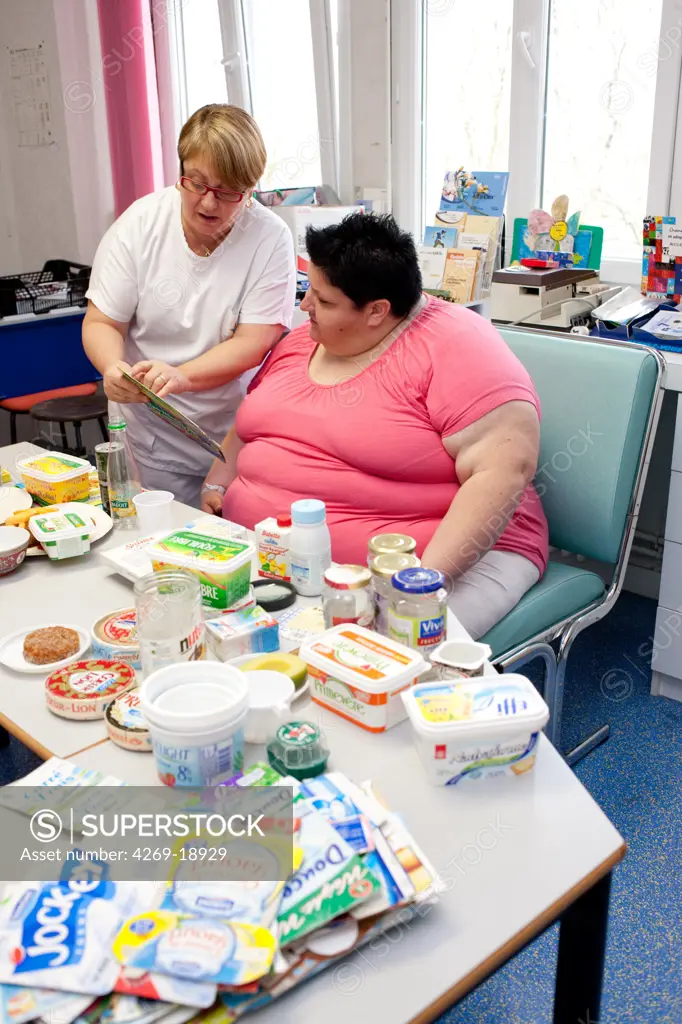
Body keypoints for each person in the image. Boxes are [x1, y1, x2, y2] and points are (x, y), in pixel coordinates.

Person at [201, 213, 548, 639]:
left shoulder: (459, 347)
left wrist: (417, 589)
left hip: (450, 562)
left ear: (377, 311)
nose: (305, 306)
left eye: (324, 301)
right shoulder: (304, 340)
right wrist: (218, 485)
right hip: (281, 559)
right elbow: (254, 420)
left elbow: (504, 472)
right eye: (309, 290)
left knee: (371, 665)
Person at [83, 104, 295, 507]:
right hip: (149, 436)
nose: (208, 203)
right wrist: (113, 367)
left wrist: (181, 377)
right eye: (195, 183)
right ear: (180, 172)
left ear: (251, 190)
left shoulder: (269, 238)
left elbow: (255, 340)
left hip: (231, 439)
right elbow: (102, 322)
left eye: (228, 192)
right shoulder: (141, 223)